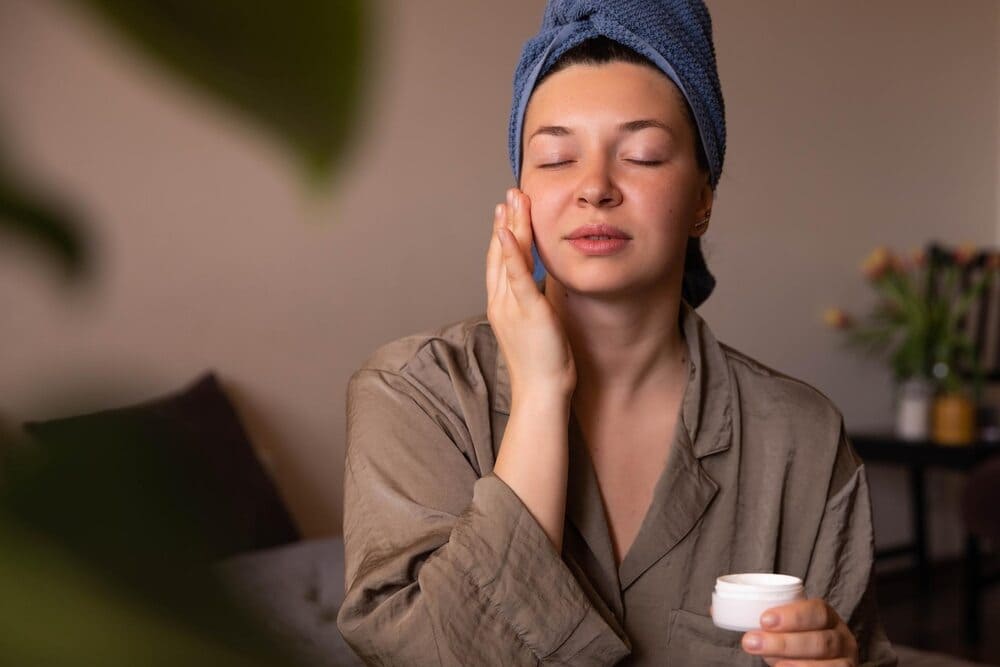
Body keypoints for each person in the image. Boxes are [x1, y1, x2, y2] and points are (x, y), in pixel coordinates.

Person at [336, 1, 898, 665]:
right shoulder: (415, 394)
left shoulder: (801, 437)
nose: (595, 187)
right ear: (519, 193)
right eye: (555, 158)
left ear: (701, 198)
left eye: (642, 154)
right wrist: (542, 392)